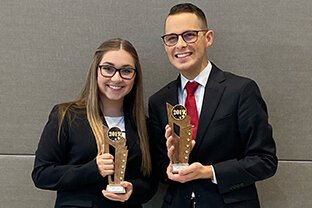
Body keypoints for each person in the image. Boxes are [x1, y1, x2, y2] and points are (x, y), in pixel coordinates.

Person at [148, 3, 277, 208]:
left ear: (208, 38)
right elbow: (158, 169)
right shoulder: (158, 101)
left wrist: (208, 172)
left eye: (189, 35)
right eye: (172, 38)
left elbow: (264, 161)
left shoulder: (241, 90)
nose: (180, 45)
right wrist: (169, 165)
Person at [32, 38, 157, 208]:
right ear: (95, 71)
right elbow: (42, 174)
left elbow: (150, 182)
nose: (117, 78)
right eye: (108, 69)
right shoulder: (66, 116)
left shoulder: (143, 125)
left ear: (135, 77)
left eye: (126, 71)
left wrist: (133, 189)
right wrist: (92, 169)